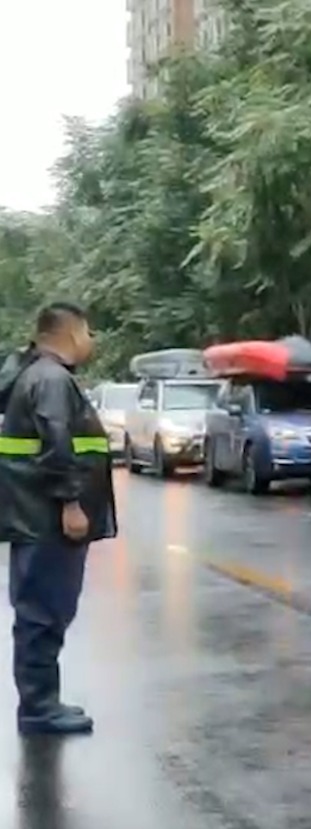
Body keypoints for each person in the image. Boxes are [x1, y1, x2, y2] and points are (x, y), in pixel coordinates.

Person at [0, 302, 114, 735]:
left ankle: (40, 702)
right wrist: (71, 503)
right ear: (67, 333)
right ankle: (39, 707)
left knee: (39, 610)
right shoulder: (51, 380)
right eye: (88, 331)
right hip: (47, 519)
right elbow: (57, 443)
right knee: (44, 612)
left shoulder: (36, 375)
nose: (92, 340)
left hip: (35, 516)